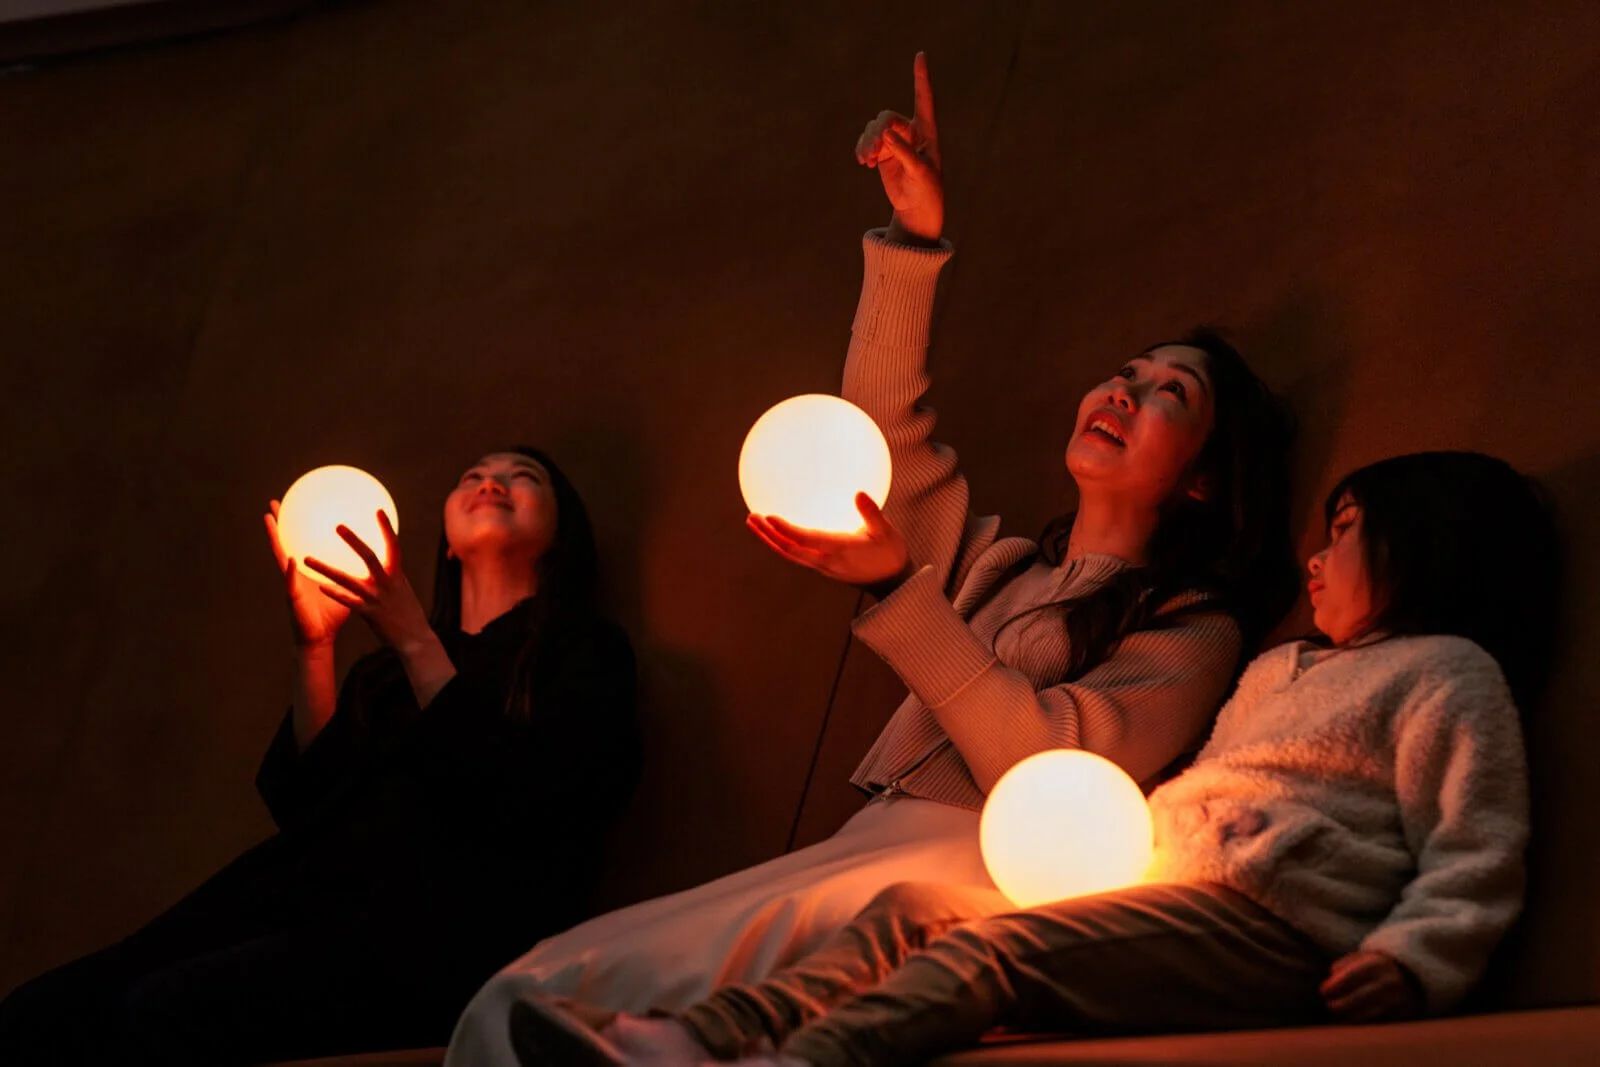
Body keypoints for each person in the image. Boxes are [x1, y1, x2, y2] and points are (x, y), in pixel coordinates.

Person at [443, 53, 1299, 1066]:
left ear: (1203, 478)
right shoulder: (998, 566)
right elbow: (882, 435)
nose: (1122, 390)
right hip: (864, 837)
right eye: (1124, 372)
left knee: (556, 1001)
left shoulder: (1193, 628)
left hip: (963, 868)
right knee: (525, 989)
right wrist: (913, 242)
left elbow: (1042, 765)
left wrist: (901, 589)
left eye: (1167, 393)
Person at [509, 450, 1558, 1067]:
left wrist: (1419, 956)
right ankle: (695, 1035)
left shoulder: (1446, 672)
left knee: (992, 951)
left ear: (1424, 546)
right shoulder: (1283, 665)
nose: (1315, 557)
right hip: (1169, 890)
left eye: (1344, 530)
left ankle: (791, 1064)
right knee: (918, 905)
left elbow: (1475, 837)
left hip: (1277, 923)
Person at [0, 448, 640, 1066]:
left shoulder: (582, 652)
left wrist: (416, 639)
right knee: (38, 1016)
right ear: (445, 540)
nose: (492, 483)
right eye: (473, 474)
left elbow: (539, 795)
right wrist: (315, 649)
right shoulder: (380, 675)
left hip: (441, 938)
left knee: (161, 1011)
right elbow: (310, 809)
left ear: (561, 534)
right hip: (299, 907)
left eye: (522, 476)